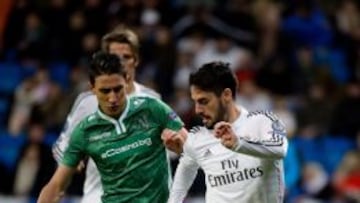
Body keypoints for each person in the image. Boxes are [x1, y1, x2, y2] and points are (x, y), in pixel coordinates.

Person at [38, 52, 186, 203]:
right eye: (105, 91)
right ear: (92, 88)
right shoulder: (85, 132)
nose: (113, 98)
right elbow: (56, 186)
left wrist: (180, 147)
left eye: (117, 89)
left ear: (127, 81)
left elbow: (193, 147)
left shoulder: (152, 108)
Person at [52, 26, 165, 203]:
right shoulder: (88, 101)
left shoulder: (152, 100)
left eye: (126, 57)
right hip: (98, 195)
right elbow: (61, 145)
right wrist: (71, 161)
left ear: (136, 60)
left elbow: (167, 149)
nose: (121, 62)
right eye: (114, 57)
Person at [165, 61, 288, 203]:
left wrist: (239, 144)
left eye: (204, 101)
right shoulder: (198, 138)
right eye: (195, 102)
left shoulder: (262, 121)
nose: (197, 110)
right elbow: (183, 176)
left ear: (226, 95)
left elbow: (280, 149)